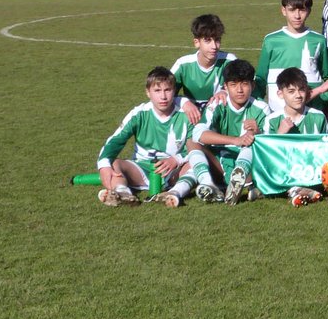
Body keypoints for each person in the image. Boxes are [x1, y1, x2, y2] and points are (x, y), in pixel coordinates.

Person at [96, 67, 197, 207]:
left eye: (167, 90)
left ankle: (174, 193)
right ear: (148, 92)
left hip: (174, 171)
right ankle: (122, 193)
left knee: (196, 163)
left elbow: (198, 147)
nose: (163, 96)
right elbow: (115, 141)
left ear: (174, 91)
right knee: (114, 163)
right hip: (141, 168)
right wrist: (103, 165)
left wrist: (176, 159)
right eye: (157, 91)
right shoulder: (139, 114)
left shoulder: (187, 115)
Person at [189, 59, 270, 205]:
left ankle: (242, 178)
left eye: (244, 84)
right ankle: (208, 184)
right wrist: (235, 140)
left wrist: (258, 132)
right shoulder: (218, 104)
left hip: (248, 160)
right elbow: (198, 134)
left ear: (252, 85)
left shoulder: (261, 107)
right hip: (220, 160)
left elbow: (269, 144)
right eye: (233, 84)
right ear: (225, 86)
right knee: (191, 142)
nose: (239, 90)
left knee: (253, 141)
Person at [256, 0, 328, 114]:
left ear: (309, 11)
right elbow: (261, 77)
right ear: (283, 10)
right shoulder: (271, 40)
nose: (297, 16)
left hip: (312, 109)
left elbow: (327, 74)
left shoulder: (318, 40)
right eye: (292, 10)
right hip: (278, 110)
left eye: (302, 10)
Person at [267, 67, 328, 207]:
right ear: (280, 94)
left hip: (312, 167)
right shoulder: (272, 120)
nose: (298, 95)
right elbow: (268, 155)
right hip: (286, 169)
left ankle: (299, 191)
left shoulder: (318, 116)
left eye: (301, 90)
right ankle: (301, 190)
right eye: (291, 91)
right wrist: (280, 134)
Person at [171, 14, 237, 125]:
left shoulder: (230, 61)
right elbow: (163, 94)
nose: (214, 46)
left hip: (221, 123)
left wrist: (226, 92)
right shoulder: (183, 65)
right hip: (192, 123)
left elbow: (247, 89)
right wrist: (183, 102)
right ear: (196, 42)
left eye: (217, 40)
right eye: (207, 40)